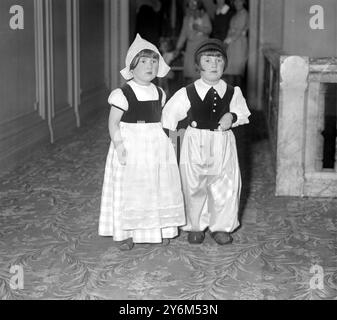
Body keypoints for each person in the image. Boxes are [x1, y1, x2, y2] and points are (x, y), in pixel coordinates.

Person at [99, 34, 186, 251]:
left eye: (154, 61)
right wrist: (119, 145)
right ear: (132, 65)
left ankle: (158, 228)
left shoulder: (159, 92)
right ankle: (125, 232)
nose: (150, 66)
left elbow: (165, 120)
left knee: (156, 184)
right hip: (131, 143)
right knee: (131, 187)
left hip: (155, 143)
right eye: (144, 62)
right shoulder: (122, 93)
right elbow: (113, 124)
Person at [162, 39, 250, 245]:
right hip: (195, 142)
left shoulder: (232, 91)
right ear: (198, 66)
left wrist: (232, 116)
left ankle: (221, 227)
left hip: (222, 142)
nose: (213, 64)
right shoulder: (187, 92)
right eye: (207, 60)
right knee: (193, 184)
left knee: (225, 184)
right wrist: (168, 141)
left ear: (225, 64)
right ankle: (195, 226)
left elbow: (243, 113)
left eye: (218, 60)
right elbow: (169, 116)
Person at [175, 0, 212, 84]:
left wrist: (199, 28)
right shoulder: (187, 18)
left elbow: (209, 30)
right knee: (190, 72)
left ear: (198, 4)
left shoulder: (204, 15)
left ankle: (202, 94)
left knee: (200, 72)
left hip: (201, 46)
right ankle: (192, 94)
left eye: (194, 3)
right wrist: (178, 47)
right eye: (190, 3)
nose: (192, 5)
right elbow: (183, 34)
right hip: (190, 46)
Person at [223, 0, 249, 87]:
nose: (237, 3)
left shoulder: (244, 14)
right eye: (235, 1)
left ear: (243, 2)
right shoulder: (235, 14)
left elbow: (239, 31)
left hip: (239, 45)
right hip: (232, 45)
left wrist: (227, 41)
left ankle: (238, 97)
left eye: (239, 1)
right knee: (231, 72)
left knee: (237, 73)